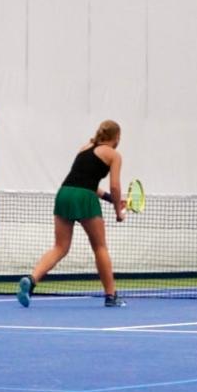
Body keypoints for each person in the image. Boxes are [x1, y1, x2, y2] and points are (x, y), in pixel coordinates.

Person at [17, 120, 127, 308]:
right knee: (100, 247)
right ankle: (111, 296)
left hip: (65, 193)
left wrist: (110, 200)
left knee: (60, 247)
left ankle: (32, 279)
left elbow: (86, 182)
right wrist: (118, 210)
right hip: (84, 197)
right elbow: (115, 186)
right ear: (116, 138)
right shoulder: (114, 155)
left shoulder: (85, 148)